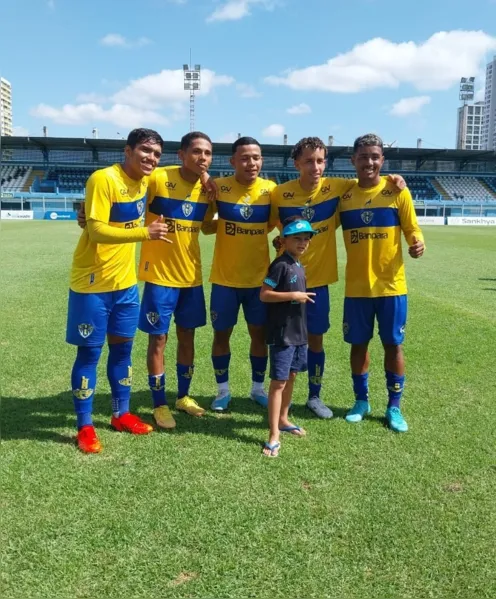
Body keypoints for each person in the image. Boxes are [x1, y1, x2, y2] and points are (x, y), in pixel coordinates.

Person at [270, 137, 406, 419]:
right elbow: (271, 228)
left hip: (318, 282)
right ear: (297, 164)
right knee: (282, 341)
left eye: (320, 160)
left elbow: (370, 182)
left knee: (315, 342)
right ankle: (270, 393)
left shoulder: (340, 188)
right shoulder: (279, 193)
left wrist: (395, 180)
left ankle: (314, 396)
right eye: (309, 161)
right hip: (286, 283)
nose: (315, 167)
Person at [67, 128, 169, 454]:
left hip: (126, 284)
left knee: (123, 352)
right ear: (128, 151)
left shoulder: (146, 180)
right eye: (145, 151)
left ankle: (120, 414)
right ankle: (84, 426)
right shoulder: (103, 179)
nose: (151, 158)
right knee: (90, 354)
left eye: (156, 153)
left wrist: (208, 176)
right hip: (92, 284)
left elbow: (184, 173)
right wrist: (145, 233)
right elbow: (95, 230)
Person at [340, 133, 425, 432]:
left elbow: (412, 229)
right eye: (363, 156)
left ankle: (394, 407)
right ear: (353, 160)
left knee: (393, 345)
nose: (369, 162)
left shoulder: (396, 191)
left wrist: (417, 244)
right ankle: (361, 401)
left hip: (391, 287)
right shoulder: (344, 196)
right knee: (358, 346)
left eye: (375, 156)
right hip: (357, 288)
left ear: (382, 160)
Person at [137, 131, 217, 429]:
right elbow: (125, 190)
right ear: (181, 154)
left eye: (207, 153)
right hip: (160, 277)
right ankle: (159, 404)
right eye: (197, 152)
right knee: (158, 339)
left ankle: (183, 397)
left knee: (188, 337)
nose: (203, 158)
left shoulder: (207, 190)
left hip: (191, 278)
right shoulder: (157, 178)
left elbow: (207, 227)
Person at [209, 137, 277, 412]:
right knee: (221, 335)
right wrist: (227, 226)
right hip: (225, 280)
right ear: (233, 161)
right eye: (246, 158)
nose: (252, 163)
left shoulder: (270, 190)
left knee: (259, 337)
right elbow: (204, 225)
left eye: (257, 157)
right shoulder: (220, 187)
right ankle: (222, 391)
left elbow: (273, 226)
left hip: (259, 282)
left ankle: (257, 388)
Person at [260, 216, 316, 457]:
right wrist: (293, 294)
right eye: (297, 239)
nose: (302, 243)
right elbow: (264, 294)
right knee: (278, 383)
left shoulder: (299, 264)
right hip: (282, 333)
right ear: (284, 241)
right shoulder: (280, 265)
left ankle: (283, 419)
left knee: (291, 376)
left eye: (306, 239)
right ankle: (273, 434)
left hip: (299, 333)